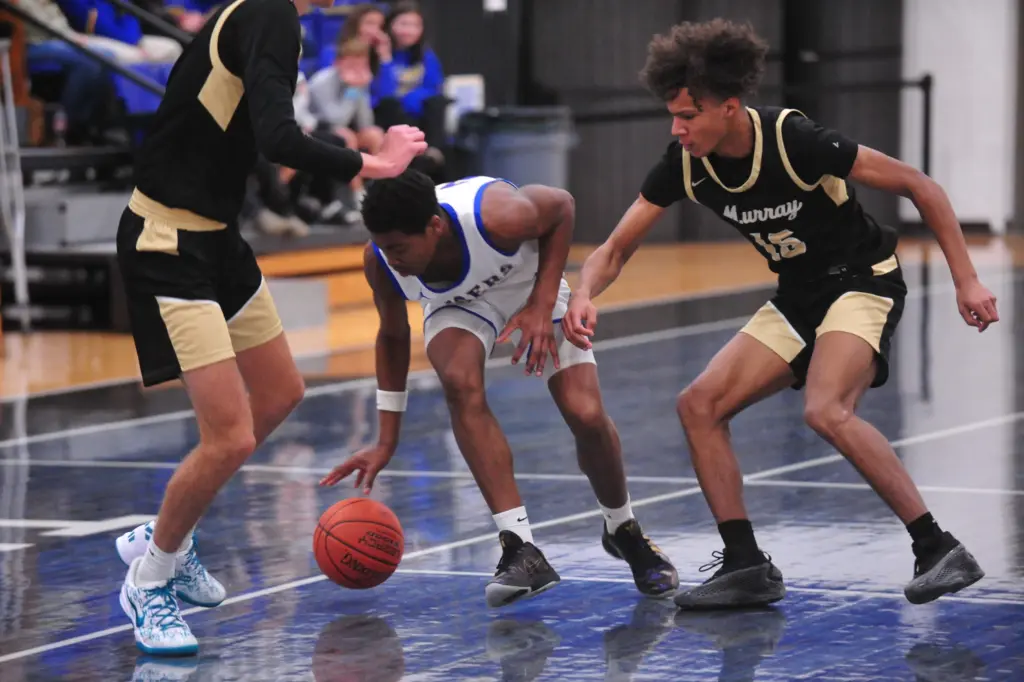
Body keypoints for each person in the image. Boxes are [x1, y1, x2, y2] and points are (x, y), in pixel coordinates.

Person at [563, 19, 996, 611]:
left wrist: (966, 279)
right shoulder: (685, 163)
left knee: (825, 409)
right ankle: (746, 565)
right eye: (673, 115)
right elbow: (614, 249)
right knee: (699, 405)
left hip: (861, 281)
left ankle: (938, 548)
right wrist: (585, 292)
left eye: (688, 115)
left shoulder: (794, 139)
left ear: (729, 107)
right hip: (798, 295)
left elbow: (920, 186)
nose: (677, 128)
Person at [109, 0, 426, 656]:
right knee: (228, 437)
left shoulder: (266, 17)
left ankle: (166, 536)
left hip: (218, 240)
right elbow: (279, 139)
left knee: (281, 392)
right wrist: (375, 164)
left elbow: (253, 133)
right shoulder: (269, 14)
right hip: (167, 242)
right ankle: (150, 578)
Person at [319, 169, 678, 608]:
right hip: (459, 305)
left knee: (585, 414)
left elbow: (561, 206)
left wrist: (542, 304)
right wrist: (385, 439)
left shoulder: (496, 217)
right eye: (383, 246)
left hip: (530, 282)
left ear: (435, 226)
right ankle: (520, 547)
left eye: (399, 248)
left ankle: (622, 528)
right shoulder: (380, 260)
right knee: (459, 382)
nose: (391, 258)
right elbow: (393, 336)